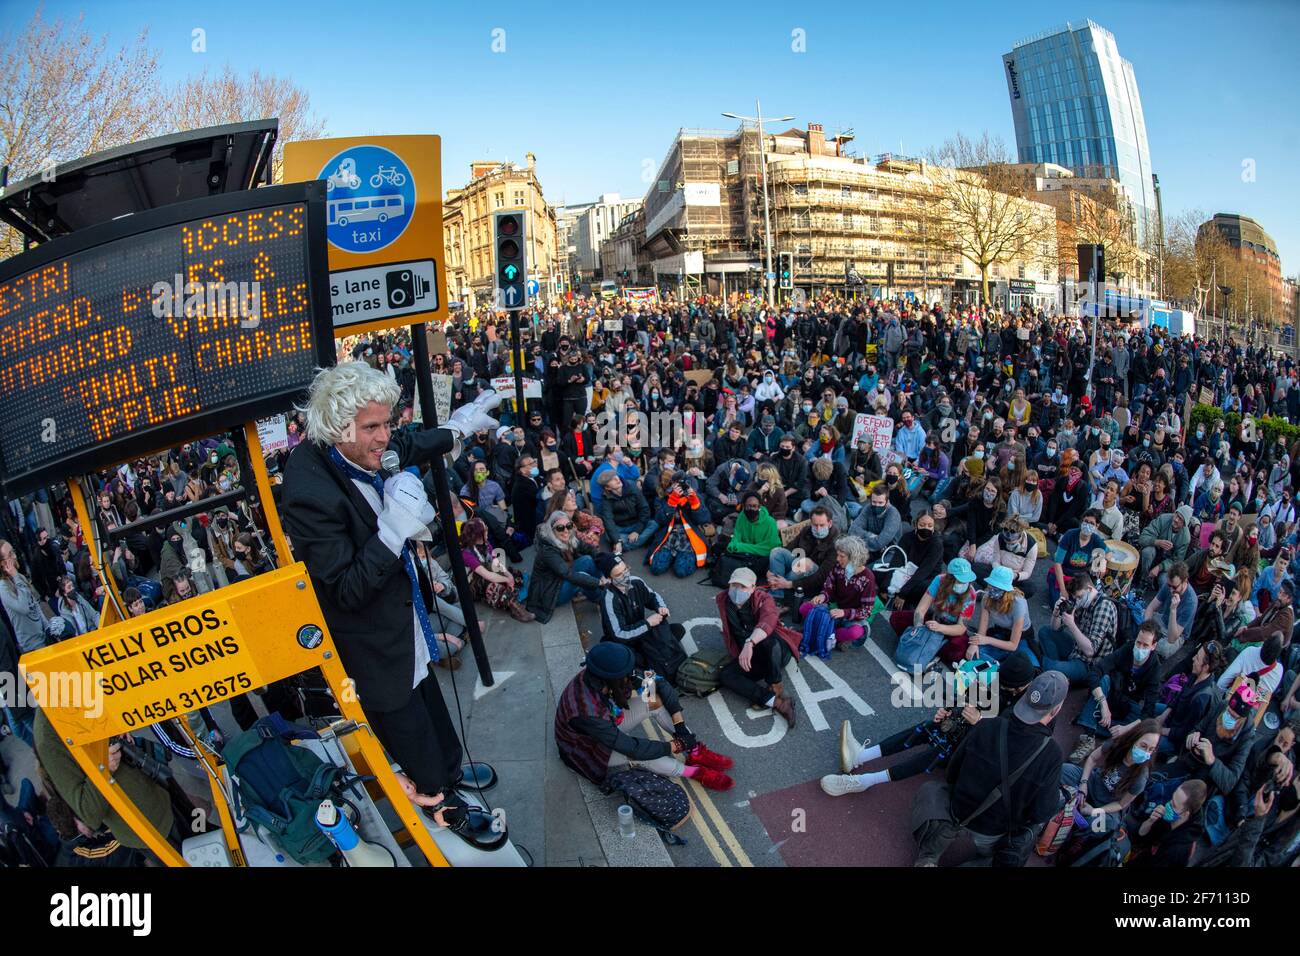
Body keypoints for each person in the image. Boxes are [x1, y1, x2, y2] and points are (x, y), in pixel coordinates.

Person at [279, 362, 503, 849]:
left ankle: (450, 771)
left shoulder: (366, 446)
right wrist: (393, 528)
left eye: (386, 422)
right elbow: (346, 589)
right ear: (339, 429)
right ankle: (441, 802)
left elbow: (405, 445)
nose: (385, 437)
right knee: (408, 726)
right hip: (372, 640)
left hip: (405, 615)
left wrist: (455, 427)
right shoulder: (308, 491)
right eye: (372, 427)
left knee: (432, 704)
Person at [822, 651, 1037, 797]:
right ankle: (861, 756)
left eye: (1008, 687)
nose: (1003, 687)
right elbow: (972, 698)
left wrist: (980, 722)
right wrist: (950, 710)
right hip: (977, 731)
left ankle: (865, 781)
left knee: (943, 748)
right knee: (931, 727)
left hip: (989, 757)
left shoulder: (1033, 707)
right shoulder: (1005, 681)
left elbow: (1011, 741)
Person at [911, 671, 1067, 867]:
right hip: (994, 831)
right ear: (1056, 710)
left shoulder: (987, 725)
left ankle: (929, 857)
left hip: (958, 811)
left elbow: (952, 772)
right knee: (1030, 831)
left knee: (932, 789)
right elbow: (1041, 813)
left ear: (1026, 694)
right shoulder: (1052, 754)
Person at [553, 642, 735, 792]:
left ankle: (695, 752)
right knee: (644, 755)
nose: (632, 674)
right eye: (627, 674)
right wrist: (676, 745)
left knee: (653, 698)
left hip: (610, 719)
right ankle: (694, 772)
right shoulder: (586, 712)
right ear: (613, 679)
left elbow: (659, 683)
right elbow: (633, 748)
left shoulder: (604, 674)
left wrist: (680, 728)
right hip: (587, 748)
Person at [715, 567, 799, 727]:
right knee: (726, 675)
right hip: (751, 657)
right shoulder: (723, 600)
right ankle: (776, 702)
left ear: (753, 588)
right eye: (734, 586)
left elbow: (768, 621)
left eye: (743, 587)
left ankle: (775, 684)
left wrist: (750, 643)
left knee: (769, 641)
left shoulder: (764, 599)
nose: (737, 590)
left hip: (775, 652)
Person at [595, 553, 687, 683]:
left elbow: (653, 596)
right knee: (639, 660)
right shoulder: (608, 599)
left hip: (642, 633)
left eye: (626, 569)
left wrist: (660, 607)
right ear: (609, 579)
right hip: (625, 643)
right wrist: (648, 624)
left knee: (678, 629)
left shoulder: (636, 581)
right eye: (619, 574)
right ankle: (650, 689)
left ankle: (656, 670)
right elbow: (619, 634)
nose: (625, 575)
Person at [1061, 720, 1160, 835]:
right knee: (1064, 770)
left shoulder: (1141, 777)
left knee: (1105, 824)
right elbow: (1093, 758)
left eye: (1151, 749)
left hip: (1107, 806)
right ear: (1134, 738)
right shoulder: (1117, 743)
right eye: (1143, 746)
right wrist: (1083, 783)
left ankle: (1074, 834)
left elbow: (1121, 804)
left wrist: (1094, 811)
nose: (1146, 753)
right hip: (1093, 783)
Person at [1075, 620, 1163, 739]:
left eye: (1145, 645)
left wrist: (1127, 728)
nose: (1140, 648)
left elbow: (1148, 709)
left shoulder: (1155, 669)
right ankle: (1089, 732)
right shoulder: (1127, 649)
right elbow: (1095, 672)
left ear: (1153, 646)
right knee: (1104, 680)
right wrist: (1103, 702)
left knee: (1135, 724)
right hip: (1111, 692)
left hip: (1129, 703)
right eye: (1138, 643)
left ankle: (1092, 720)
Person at [889, 557, 978, 663]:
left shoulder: (971, 594)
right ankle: (928, 650)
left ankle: (928, 650)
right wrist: (918, 631)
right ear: (950, 578)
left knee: (958, 649)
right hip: (932, 620)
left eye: (966, 580)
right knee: (896, 618)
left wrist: (940, 628)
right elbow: (921, 609)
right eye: (961, 580)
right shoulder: (939, 580)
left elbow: (961, 628)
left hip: (949, 628)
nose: (964, 583)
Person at [526, 510, 605, 625]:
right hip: (550, 592)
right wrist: (598, 582)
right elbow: (567, 574)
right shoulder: (547, 550)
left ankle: (607, 590)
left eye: (569, 526)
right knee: (583, 578)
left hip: (558, 579)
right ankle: (604, 601)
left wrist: (609, 563)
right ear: (552, 530)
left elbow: (589, 548)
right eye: (560, 528)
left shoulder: (569, 536)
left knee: (587, 560)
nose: (566, 531)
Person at [800, 535, 878, 650]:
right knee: (804, 608)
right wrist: (822, 596)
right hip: (834, 611)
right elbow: (828, 587)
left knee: (855, 632)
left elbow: (866, 611)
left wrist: (844, 613)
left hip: (851, 617)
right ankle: (834, 636)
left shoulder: (868, 578)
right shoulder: (838, 567)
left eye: (842, 556)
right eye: (838, 555)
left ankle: (823, 631)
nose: (838, 559)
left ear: (853, 558)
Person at [459, 517, 533, 624]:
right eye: (485, 529)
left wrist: (508, 575)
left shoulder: (486, 544)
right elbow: (487, 575)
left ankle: (510, 594)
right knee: (493, 586)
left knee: (515, 574)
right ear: (479, 534)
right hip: (474, 584)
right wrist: (506, 580)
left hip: (487, 573)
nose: (488, 530)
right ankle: (516, 608)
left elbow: (496, 563)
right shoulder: (467, 554)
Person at [1126, 779, 1210, 867]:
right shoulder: (1168, 818)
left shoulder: (1178, 850)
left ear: (1185, 814)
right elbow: (1141, 836)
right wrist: (1150, 821)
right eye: (1171, 798)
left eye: (1174, 805)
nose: (1168, 804)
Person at [967, 565, 1037, 665]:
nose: (991, 590)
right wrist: (975, 644)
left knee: (1028, 666)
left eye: (996, 587)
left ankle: (995, 666)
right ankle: (998, 666)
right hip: (1000, 632)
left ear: (1006, 590)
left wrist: (987, 640)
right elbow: (982, 629)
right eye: (990, 585)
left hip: (1021, 637)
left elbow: (1013, 645)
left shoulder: (1018, 603)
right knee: (974, 653)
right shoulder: (987, 597)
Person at [766, 505, 838, 602]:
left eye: (822, 525)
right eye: (815, 525)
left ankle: (778, 592)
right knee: (777, 552)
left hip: (813, 580)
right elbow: (789, 549)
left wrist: (790, 584)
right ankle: (776, 594)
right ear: (811, 522)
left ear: (829, 523)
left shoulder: (836, 543)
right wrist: (770, 571)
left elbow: (822, 576)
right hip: (796, 568)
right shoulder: (807, 531)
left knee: (805, 563)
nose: (818, 529)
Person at [970, 515, 1038, 598]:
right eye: (1005, 530)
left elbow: (1027, 572)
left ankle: (997, 591)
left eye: (1013, 532)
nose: (1008, 535)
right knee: (975, 567)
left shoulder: (1031, 545)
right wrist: (999, 571)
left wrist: (1015, 575)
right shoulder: (1000, 538)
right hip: (999, 572)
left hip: (1013, 576)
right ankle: (1004, 593)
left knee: (1030, 587)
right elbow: (995, 560)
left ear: (1020, 533)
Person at [1144, 562, 1198, 662]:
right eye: (1169, 585)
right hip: (1162, 620)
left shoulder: (1191, 602)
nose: (1171, 590)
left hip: (1176, 633)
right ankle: (1148, 641)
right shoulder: (1169, 585)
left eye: (1174, 587)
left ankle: (1147, 642)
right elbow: (1151, 607)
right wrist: (1146, 626)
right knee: (1138, 614)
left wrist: (1173, 610)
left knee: (1165, 649)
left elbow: (1172, 638)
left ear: (1184, 581)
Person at [596, 471, 658, 552]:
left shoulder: (632, 486)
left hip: (637, 523)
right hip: (621, 527)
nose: (617, 479)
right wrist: (617, 540)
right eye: (612, 480)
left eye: (615, 476)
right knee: (610, 535)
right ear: (607, 488)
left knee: (654, 524)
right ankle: (633, 541)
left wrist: (637, 531)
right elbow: (608, 520)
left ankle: (624, 546)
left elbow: (644, 509)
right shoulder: (606, 498)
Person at [1137, 504, 1193, 589]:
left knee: (1164, 581)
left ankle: (1157, 596)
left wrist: (1160, 567)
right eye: (1176, 515)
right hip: (1153, 556)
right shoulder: (1163, 519)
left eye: (1180, 519)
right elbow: (1142, 538)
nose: (1176, 520)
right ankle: (1143, 579)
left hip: (1166, 565)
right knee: (1147, 552)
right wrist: (1157, 542)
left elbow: (1177, 561)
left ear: (1184, 524)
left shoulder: (1185, 537)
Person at [849, 486, 901, 561]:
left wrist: (860, 538)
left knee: (869, 569)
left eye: (880, 503)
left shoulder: (893, 514)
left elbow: (880, 543)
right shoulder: (868, 508)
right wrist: (870, 535)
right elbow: (852, 529)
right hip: (870, 545)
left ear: (887, 502)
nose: (877, 505)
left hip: (889, 550)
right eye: (874, 502)